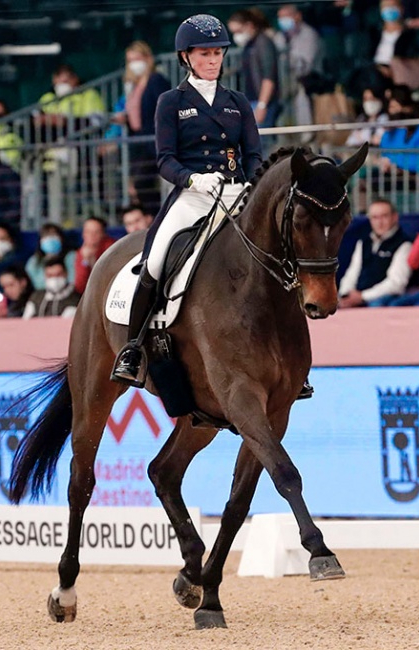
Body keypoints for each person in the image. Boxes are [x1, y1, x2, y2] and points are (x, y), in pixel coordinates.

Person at [111, 13, 263, 386]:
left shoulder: (237, 101)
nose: (212, 61)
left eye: (217, 54)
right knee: (156, 258)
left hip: (236, 193)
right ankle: (132, 348)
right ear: (186, 57)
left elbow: (254, 153)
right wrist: (193, 178)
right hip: (194, 194)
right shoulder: (170, 101)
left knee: (275, 254)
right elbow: (165, 160)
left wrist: (251, 183)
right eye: (204, 54)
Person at [111, 42, 171, 214]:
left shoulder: (156, 80)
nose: (134, 63)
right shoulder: (134, 85)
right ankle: (153, 215)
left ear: (147, 58)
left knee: (142, 183)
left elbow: (164, 108)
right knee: (137, 186)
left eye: (137, 58)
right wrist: (125, 119)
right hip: (138, 142)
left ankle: (156, 215)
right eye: (130, 60)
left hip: (152, 141)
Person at [338, 197, 412, 307]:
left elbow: (396, 284)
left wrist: (362, 296)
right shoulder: (363, 242)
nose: (379, 222)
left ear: (395, 217)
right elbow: (352, 273)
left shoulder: (404, 244)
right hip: (358, 296)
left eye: (384, 216)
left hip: (382, 299)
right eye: (375, 217)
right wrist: (345, 294)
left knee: (376, 305)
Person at [273, 4, 324, 135]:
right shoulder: (280, 37)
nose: (283, 20)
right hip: (284, 82)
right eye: (280, 17)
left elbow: (305, 62)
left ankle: (306, 137)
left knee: (303, 112)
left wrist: (285, 60)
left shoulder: (309, 34)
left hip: (306, 82)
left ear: (297, 16)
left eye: (286, 16)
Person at [227, 9, 279, 128]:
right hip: (251, 99)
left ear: (249, 25)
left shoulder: (263, 43)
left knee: (259, 140)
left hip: (261, 100)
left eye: (239, 31)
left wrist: (262, 105)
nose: (237, 36)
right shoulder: (249, 45)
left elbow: (268, 76)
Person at [379, 85, 419, 185]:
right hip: (394, 177)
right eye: (390, 107)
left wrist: (395, 164)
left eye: (395, 107)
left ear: (408, 108)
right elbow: (384, 156)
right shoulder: (389, 134)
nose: (392, 112)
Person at [25, 222, 77, 289]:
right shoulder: (34, 261)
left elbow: (73, 280)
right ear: (40, 241)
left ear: (61, 239)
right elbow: (30, 284)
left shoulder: (71, 256)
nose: (50, 239)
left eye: (53, 235)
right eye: (46, 236)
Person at [74, 216, 116, 294]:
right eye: (88, 232)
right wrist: (86, 261)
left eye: (96, 232)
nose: (91, 235)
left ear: (103, 234)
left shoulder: (113, 249)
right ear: (83, 234)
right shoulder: (81, 252)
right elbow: (80, 287)